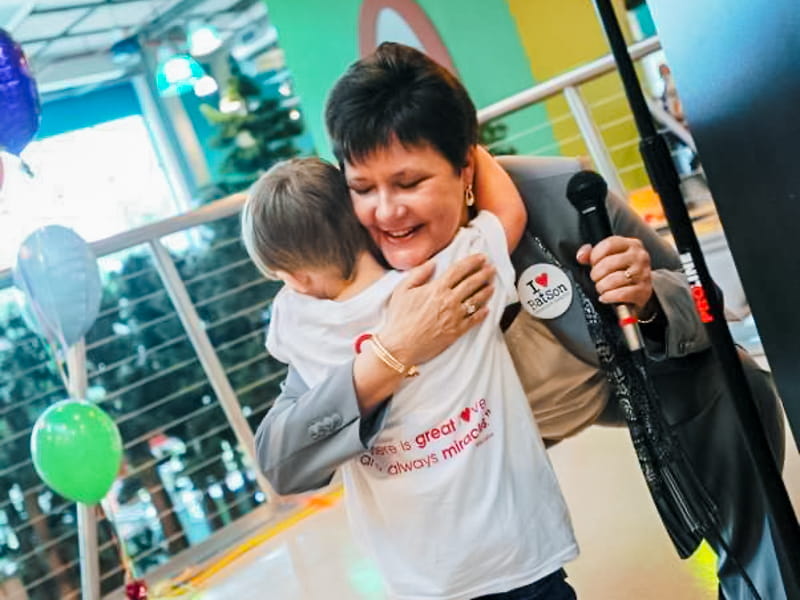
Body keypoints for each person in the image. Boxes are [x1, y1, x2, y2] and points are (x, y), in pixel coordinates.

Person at [255, 42, 789, 600]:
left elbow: (707, 305)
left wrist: (648, 296)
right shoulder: (348, 268)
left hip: (602, 387)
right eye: (363, 188)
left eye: (410, 183)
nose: (386, 214)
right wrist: (391, 354)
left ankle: (759, 585)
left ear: (466, 169)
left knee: (736, 386)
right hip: (469, 471)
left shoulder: (560, 196)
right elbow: (283, 457)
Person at [243, 154, 580, 599]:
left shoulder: (295, 321)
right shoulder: (457, 270)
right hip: (518, 550)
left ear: (295, 279)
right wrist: (462, 147)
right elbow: (507, 213)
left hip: (425, 577)